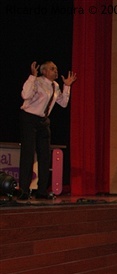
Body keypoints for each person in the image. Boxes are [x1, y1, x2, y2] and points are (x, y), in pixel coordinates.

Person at [18, 61, 76, 200]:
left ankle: (42, 190)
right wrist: (32, 77)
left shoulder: (55, 86)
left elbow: (63, 103)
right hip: (29, 119)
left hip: (43, 122)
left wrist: (66, 86)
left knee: (45, 156)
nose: (55, 71)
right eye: (52, 68)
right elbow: (25, 95)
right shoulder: (36, 82)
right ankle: (24, 190)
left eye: (56, 68)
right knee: (28, 154)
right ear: (43, 71)